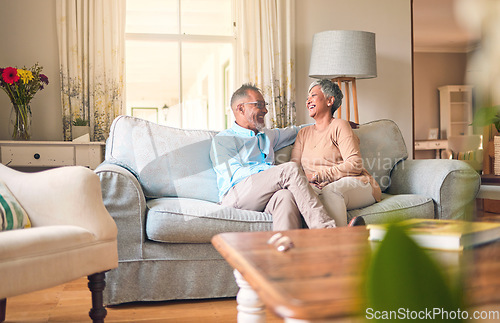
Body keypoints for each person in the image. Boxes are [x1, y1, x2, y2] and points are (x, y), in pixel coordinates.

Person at [210, 83, 336, 230]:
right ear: (241, 108)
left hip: (264, 197)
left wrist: (332, 124)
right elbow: (235, 174)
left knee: (285, 197)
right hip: (236, 195)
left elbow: (297, 130)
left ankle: (285, 249)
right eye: (259, 105)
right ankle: (327, 230)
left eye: (265, 105)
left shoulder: (267, 135)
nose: (265, 110)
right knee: (289, 170)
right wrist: (274, 172)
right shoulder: (223, 139)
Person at [291, 79, 381, 226]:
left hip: (356, 183)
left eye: (313, 95)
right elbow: (292, 168)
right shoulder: (303, 133)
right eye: (307, 98)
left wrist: (318, 176)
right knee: (303, 196)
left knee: (331, 191)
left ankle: (340, 243)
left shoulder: (340, 125)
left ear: (330, 101)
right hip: (318, 186)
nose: (308, 101)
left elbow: (355, 164)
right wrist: (308, 180)